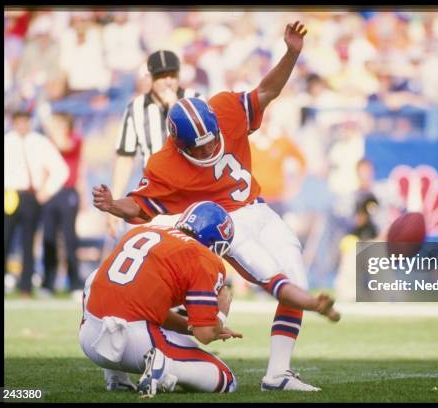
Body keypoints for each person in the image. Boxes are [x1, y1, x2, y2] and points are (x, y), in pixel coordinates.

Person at [93, 21, 339, 391]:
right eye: (200, 148)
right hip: (224, 221)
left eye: (212, 141)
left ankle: (278, 372)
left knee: (296, 274)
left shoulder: (225, 107)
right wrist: (114, 205)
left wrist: (291, 53)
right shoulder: (165, 162)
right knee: (280, 281)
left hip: (258, 207)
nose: (210, 150)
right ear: (179, 145)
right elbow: (142, 204)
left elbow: (268, 91)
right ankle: (170, 350)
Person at [79, 201, 340, 397]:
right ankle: (164, 366)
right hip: (131, 343)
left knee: (97, 284)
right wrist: (221, 314)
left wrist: (191, 325)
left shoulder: (142, 233)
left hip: (90, 337)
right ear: (217, 243)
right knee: (225, 379)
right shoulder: (202, 258)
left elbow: (152, 310)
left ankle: (115, 376)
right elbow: (205, 334)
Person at [107, 49, 201, 237]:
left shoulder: (194, 99)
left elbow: (204, 147)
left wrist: (176, 108)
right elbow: (125, 157)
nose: (168, 81)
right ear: (150, 77)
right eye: (162, 76)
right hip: (155, 194)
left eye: (172, 75)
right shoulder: (136, 107)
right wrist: (116, 202)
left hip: (192, 192)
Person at [4, 108, 69, 297]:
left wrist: (46, 191)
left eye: (25, 121)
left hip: (31, 197)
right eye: (18, 121)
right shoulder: (7, 142)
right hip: (10, 195)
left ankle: (25, 287)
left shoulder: (40, 143)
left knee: (27, 242)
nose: (22, 125)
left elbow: (60, 170)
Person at [39, 111, 84, 298]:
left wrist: (49, 126)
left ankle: (74, 283)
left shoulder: (75, 139)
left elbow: (64, 146)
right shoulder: (47, 142)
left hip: (67, 192)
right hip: (51, 192)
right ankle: (48, 283)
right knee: (48, 237)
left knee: (69, 238)